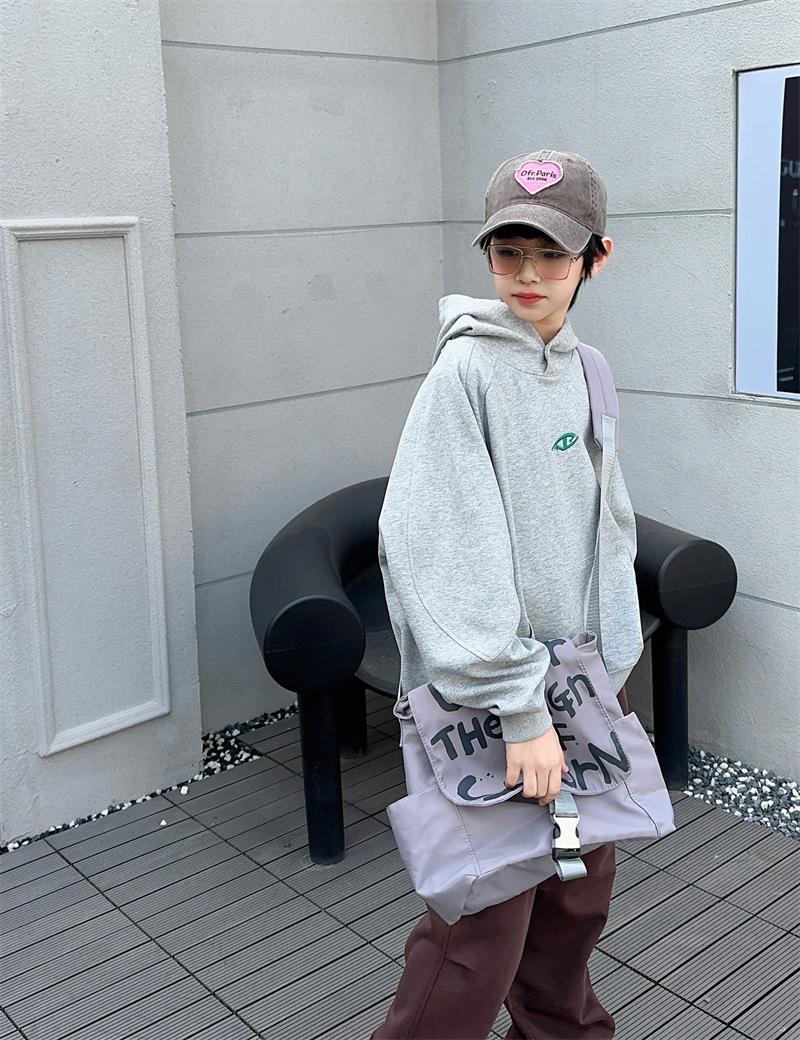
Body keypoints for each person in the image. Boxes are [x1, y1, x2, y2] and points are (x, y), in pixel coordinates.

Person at [370, 149, 644, 1040]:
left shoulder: (587, 368)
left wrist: (613, 665)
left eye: (552, 253)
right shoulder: (466, 375)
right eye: (508, 251)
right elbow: (436, 549)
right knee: (479, 926)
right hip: (501, 702)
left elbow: (605, 525)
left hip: (583, 687)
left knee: (574, 903)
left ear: (597, 257)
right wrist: (520, 710)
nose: (528, 274)